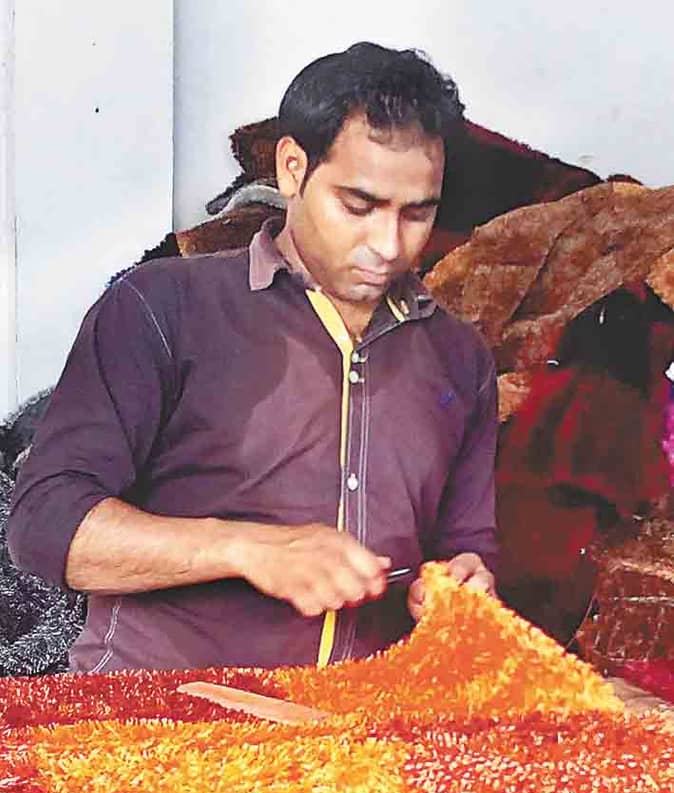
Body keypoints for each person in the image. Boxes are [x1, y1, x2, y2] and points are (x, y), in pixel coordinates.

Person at [8, 42, 498, 673]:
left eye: (416, 214)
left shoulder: (460, 358)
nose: (386, 244)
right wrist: (247, 549)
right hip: (157, 710)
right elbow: (45, 526)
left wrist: (460, 583)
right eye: (358, 206)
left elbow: (464, 546)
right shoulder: (163, 307)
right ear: (292, 168)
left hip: (360, 718)